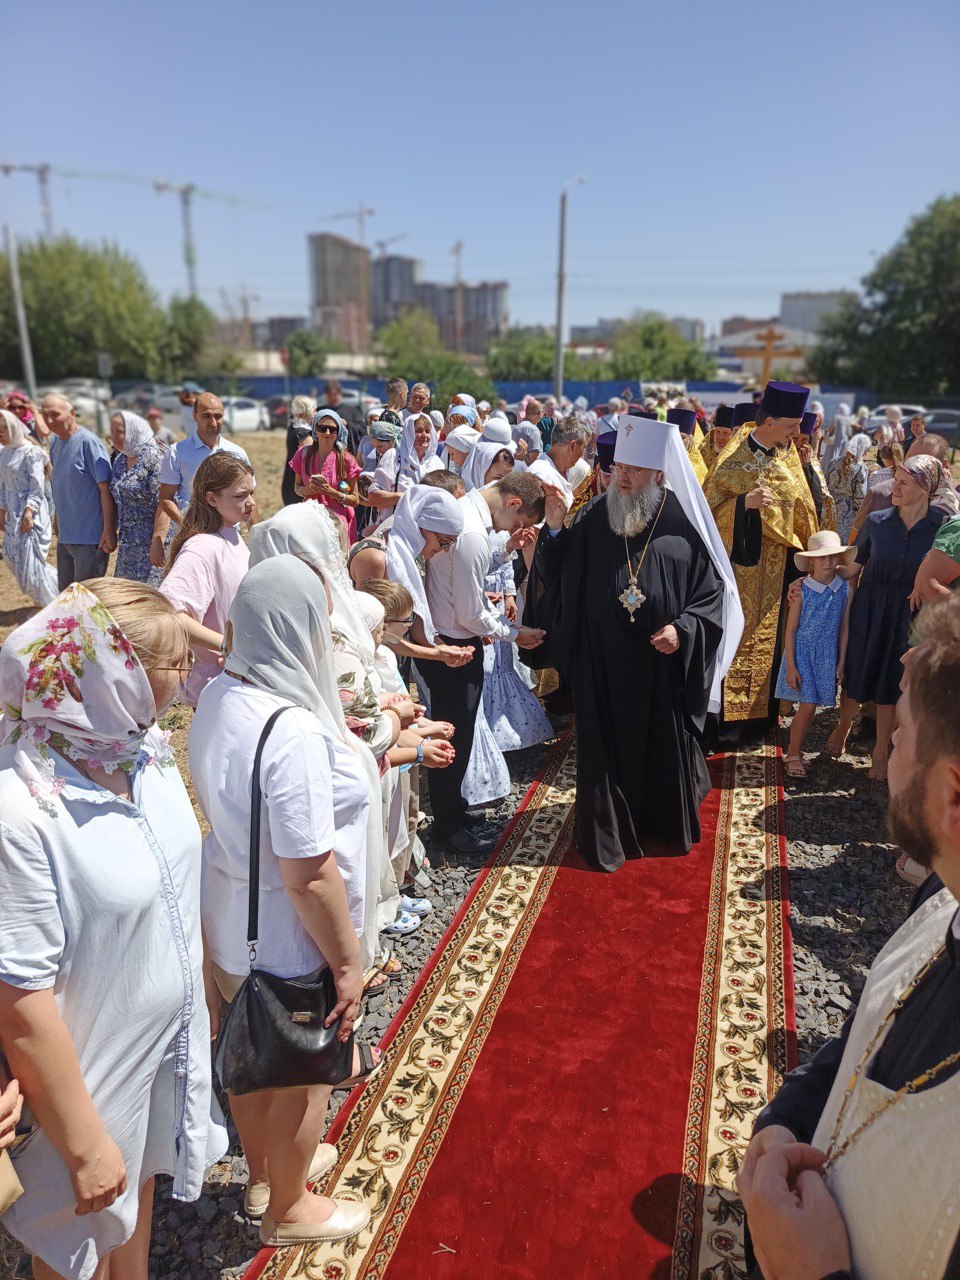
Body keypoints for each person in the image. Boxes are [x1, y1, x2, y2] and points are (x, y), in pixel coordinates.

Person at [0, 579, 226, 1280]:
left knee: (140, 1201)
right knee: (78, 1248)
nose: (184, 674)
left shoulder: (141, 749)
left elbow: (173, 879)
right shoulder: (21, 808)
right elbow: (21, 997)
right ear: (109, 672)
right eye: (170, 664)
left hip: (159, 1047)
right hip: (86, 1080)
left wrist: (203, 992)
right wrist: (84, 1142)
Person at [738, 593, 960, 1280]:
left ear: (952, 797)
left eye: (900, 732)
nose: (886, 737)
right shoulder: (940, 895)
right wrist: (784, 1120)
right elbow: (874, 1028)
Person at [190, 557, 377, 1247]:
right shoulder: (289, 728)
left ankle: (264, 1174)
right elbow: (310, 874)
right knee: (303, 1072)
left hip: (229, 918)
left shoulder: (217, 695)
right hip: (287, 933)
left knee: (250, 1056)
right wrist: (348, 962)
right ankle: (289, 1209)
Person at [525, 418, 741, 872]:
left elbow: (712, 593)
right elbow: (557, 575)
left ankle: (659, 825)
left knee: (658, 745)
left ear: (658, 475)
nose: (620, 478)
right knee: (604, 753)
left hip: (658, 666)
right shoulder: (592, 516)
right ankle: (608, 834)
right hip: (600, 661)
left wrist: (682, 629)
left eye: (633, 471)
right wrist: (557, 527)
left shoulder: (679, 524)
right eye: (617, 467)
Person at [704, 381, 818, 743]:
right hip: (740, 571)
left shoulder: (786, 458)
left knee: (771, 639)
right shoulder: (732, 460)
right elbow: (708, 513)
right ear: (768, 421)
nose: (796, 433)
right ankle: (725, 722)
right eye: (790, 425)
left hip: (779, 568)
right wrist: (744, 507)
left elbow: (805, 508)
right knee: (736, 638)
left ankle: (761, 718)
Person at [830, 455, 946, 779]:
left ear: (924, 488)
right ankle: (843, 726)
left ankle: (881, 751)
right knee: (857, 671)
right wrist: (817, 573)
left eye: (902, 482)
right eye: (895, 479)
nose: (892, 486)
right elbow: (853, 567)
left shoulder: (939, 527)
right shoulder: (877, 521)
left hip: (909, 614)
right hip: (871, 607)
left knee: (891, 681)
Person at [160, 453, 255, 707]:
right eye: (240, 496)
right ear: (212, 499)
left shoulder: (232, 533)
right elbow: (172, 617)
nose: (250, 502)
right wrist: (228, 646)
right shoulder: (202, 548)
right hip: (216, 689)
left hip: (235, 684)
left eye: (251, 493)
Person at [775, 532, 856, 779]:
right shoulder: (801, 591)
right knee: (808, 707)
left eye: (832, 557)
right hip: (803, 654)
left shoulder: (843, 589)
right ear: (810, 562)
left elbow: (844, 627)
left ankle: (795, 750)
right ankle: (793, 754)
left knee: (811, 708)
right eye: (821, 558)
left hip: (828, 655)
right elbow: (791, 630)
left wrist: (841, 661)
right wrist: (790, 665)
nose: (827, 562)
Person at [151, 393, 251, 568]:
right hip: (193, 540)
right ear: (195, 416)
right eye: (206, 416)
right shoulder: (177, 453)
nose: (213, 422)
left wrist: (256, 538)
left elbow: (249, 498)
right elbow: (166, 497)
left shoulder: (237, 453)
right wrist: (186, 524)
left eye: (218, 416)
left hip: (230, 537)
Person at [44, 393, 117, 590]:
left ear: (72, 413)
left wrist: (109, 530)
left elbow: (105, 489)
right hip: (66, 536)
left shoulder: (88, 443)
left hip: (91, 538)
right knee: (67, 595)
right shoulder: (56, 444)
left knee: (88, 597)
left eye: (55, 414)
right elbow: (62, 485)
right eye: (45, 415)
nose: (49, 421)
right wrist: (58, 517)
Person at [0, 409, 58, 606]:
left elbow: (37, 486)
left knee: (32, 564)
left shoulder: (31, 452)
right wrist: (2, 512)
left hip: (30, 513)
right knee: (11, 558)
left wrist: (28, 513)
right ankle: (56, 591)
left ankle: (50, 601)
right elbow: (3, 485)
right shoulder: (4, 452)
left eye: (3, 431)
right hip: (12, 515)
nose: (0, 436)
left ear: (13, 428)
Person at [108, 411, 165, 586]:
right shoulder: (120, 460)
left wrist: (158, 539)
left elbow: (164, 503)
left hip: (152, 544)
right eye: (112, 431)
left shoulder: (155, 458)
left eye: (119, 431)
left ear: (134, 430)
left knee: (150, 597)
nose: (114, 437)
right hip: (128, 543)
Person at [289, 409, 362, 542]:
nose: (327, 433)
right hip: (310, 520)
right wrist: (307, 490)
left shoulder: (346, 459)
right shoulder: (303, 454)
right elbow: (297, 487)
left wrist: (331, 492)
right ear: (315, 429)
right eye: (322, 428)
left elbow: (355, 500)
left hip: (337, 524)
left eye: (332, 429)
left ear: (338, 431)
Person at [796, 411, 837, 530]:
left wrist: (806, 466)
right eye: (794, 438)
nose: (798, 444)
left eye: (804, 439)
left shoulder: (812, 460)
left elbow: (821, 494)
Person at [826, 435, 870, 542]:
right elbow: (860, 498)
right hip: (848, 513)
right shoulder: (861, 468)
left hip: (830, 509)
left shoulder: (833, 461)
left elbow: (826, 483)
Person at [281, 394, 317, 506]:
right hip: (299, 485)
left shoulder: (293, 427)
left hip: (289, 480)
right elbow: (308, 463)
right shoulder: (305, 435)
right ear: (309, 411)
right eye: (314, 409)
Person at [316, 380, 365, 454]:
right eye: (330, 395)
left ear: (340, 394)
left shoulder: (352, 411)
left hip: (346, 453)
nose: (333, 398)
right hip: (323, 453)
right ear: (326, 395)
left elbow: (362, 429)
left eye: (335, 395)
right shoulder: (320, 411)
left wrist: (347, 425)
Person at [824, 401, 853, 466]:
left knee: (832, 455)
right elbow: (849, 432)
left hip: (836, 439)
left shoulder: (836, 417)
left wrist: (827, 431)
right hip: (844, 440)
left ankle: (828, 470)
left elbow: (832, 428)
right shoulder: (848, 418)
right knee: (841, 455)